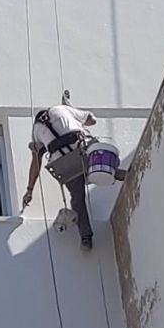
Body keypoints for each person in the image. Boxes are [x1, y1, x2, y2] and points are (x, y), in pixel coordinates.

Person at [22, 102, 98, 249]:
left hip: (64, 164)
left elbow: (36, 161)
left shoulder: (36, 131)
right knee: (102, 156)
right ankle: (115, 171)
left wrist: (29, 190)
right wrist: (77, 120)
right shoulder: (62, 109)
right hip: (82, 150)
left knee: (77, 199)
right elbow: (91, 119)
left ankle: (86, 237)